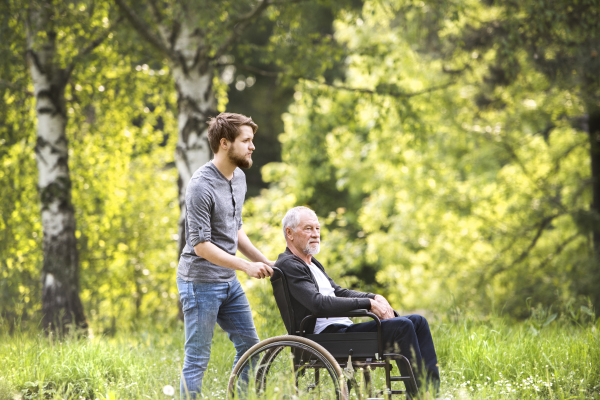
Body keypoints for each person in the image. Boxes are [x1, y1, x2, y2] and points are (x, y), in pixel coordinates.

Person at [275, 206, 439, 396]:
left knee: (418, 322)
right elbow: (317, 304)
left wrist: (373, 297)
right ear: (290, 233)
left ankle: (433, 392)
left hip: (342, 332)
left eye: (318, 229)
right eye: (308, 229)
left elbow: (338, 292)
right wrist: (368, 305)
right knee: (402, 326)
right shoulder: (289, 264)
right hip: (324, 338)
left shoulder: (312, 263)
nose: (316, 234)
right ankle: (419, 395)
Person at [177, 113, 274, 399]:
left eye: (252, 140)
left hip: (227, 281)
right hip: (199, 283)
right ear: (224, 143)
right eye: (246, 141)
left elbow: (236, 230)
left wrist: (266, 261)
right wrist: (246, 266)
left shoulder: (239, 178)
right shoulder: (200, 186)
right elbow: (201, 246)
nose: (252, 146)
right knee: (196, 362)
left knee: (251, 350)